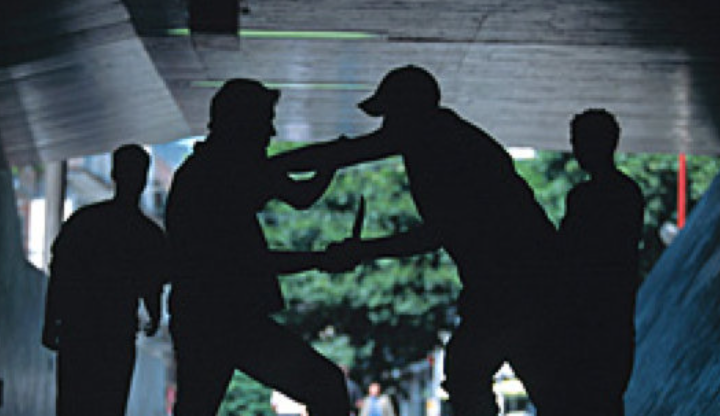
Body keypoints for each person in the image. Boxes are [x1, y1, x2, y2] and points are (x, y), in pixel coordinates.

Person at [271, 65, 559, 415]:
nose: (385, 125)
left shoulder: (443, 146)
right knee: (518, 377)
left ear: (410, 111)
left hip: (515, 280)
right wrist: (274, 166)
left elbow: (435, 232)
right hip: (518, 279)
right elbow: (348, 152)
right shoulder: (446, 139)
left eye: (390, 115)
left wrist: (267, 167)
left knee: (473, 371)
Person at [164, 78, 350, 416]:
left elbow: (298, 195)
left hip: (205, 315)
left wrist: (329, 164)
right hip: (225, 318)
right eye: (265, 122)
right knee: (326, 385)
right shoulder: (221, 177)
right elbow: (255, 258)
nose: (270, 132)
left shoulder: (206, 173)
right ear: (242, 125)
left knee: (195, 408)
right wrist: (320, 257)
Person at [42, 144, 167, 416]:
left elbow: (61, 273)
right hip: (117, 333)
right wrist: (154, 314)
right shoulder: (148, 235)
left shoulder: (84, 222)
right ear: (144, 179)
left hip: (78, 329)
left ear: (113, 174)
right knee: (110, 405)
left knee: (72, 404)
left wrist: (51, 320)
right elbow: (152, 283)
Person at [555, 109, 644, 415]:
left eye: (579, 141)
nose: (576, 149)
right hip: (615, 318)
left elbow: (568, 252)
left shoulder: (583, 198)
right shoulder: (629, 193)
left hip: (585, 320)